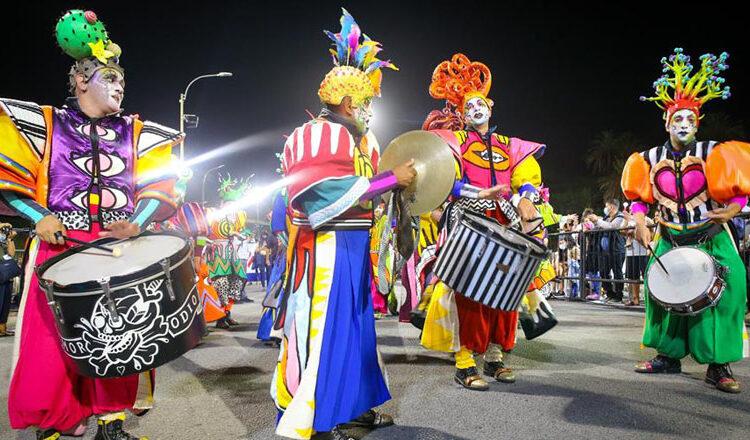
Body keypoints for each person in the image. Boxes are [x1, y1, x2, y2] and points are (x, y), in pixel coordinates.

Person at [0, 10, 182, 439]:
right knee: (49, 342)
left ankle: (111, 423)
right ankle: (52, 421)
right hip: (58, 246)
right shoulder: (45, 125)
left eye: (122, 79)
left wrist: (135, 223)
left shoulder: (139, 132)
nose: (120, 85)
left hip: (114, 251)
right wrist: (38, 216)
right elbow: (8, 182)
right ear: (82, 80)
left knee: (120, 336)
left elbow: (159, 189)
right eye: (110, 77)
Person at [271, 9, 414, 440]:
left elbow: (362, 190)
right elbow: (318, 196)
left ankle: (352, 406)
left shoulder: (356, 139)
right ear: (350, 103)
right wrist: (390, 179)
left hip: (352, 245)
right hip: (327, 248)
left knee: (354, 331)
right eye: (367, 103)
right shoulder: (315, 134)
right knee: (326, 332)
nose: (371, 111)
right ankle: (318, 416)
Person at [622, 48, 748, 393]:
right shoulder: (648, 158)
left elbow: (739, 189)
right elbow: (637, 200)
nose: (683, 126)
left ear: (697, 123)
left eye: (690, 120)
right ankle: (668, 356)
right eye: (677, 119)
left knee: (727, 293)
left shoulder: (713, 152)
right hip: (671, 236)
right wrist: (640, 220)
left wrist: (735, 208)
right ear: (666, 122)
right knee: (663, 295)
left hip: (710, 234)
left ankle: (718, 365)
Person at [420, 53, 547, 391]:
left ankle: (495, 357)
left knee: (504, 292)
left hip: (504, 225)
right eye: (468, 107)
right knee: (468, 295)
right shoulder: (455, 143)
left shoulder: (512, 146)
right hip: (470, 224)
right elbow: (448, 180)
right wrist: (481, 191)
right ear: (461, 114)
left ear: (490, 108)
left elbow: (527, 178)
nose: (475, 109)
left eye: (480, 104)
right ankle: (464, 362)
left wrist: (525, 199)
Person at [587, 199, 627, 303]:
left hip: (617, 249)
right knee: (604, 271)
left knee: (617, 272)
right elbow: (599, 227)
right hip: (605, 251)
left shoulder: (620, 217)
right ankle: (609, 293)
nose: (606, 208)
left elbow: (611, 227)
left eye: (607, 206)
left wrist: (598, 221)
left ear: (612, 207)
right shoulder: (606, 218)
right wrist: (594, 223)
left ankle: (618, 295)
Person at [0, 223, 20, 337]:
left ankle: (2, 329)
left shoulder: (3, 240)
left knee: (5, 303)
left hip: (5, 274)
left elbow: (11, 254)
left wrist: (10, 239)